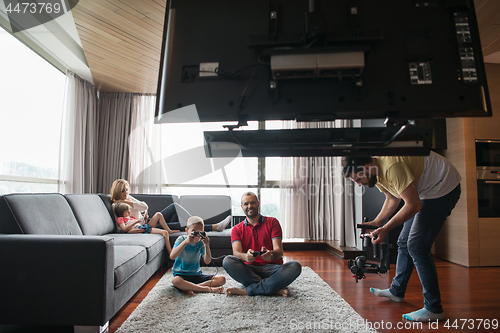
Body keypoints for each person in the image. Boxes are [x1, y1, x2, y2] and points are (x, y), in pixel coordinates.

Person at [341, 151, 461, 322]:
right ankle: (397, 291)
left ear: (367, 168)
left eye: (358, 180)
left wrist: (386, 228)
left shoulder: (391, 167)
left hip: (442, 187)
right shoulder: (376, 172)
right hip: (424, 190)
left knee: (417, 247)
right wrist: (377, 223)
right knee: (404, 242)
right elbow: (392, 198)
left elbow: (413, 204)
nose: (359, 184)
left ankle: (434, 308)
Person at [222, 191, 302, 296]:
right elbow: (236, 253)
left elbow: (279, 251)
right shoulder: (236, 229)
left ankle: (248, 291)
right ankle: (272, 288)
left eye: (252, 203)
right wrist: (246, 257)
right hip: (249, 270)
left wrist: (271, 254)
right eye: (246, 204)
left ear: (258, 204)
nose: (250, 206)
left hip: (273, 268)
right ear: (242, 207)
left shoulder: (273, 222)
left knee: (295, 266)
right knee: (227, 261)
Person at [110, 179, 232, 232]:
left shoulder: (128, 198)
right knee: (181, 225)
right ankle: (214, 227)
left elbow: (144, 206)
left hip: (149, 221)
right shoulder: (117, 205)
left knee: (174, 206)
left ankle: (198, 223)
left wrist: (140, 210)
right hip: (145, 226)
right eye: (123, 191)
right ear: (117, 191)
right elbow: (121, 225)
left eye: (127, 190)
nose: (126, 193)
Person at [170, 216, 226, 294]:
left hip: (196, 274)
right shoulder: (181, 239)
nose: (197, 235)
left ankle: (190, 288)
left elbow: (207, 261)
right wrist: (185, 242)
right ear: (187, 231)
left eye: (200, 232)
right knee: (175, 280)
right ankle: (206, 289)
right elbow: (172, 256)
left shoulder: (200, 243)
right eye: (194, 231)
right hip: (181, 274)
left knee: (222, 279)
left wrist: (206, 245)